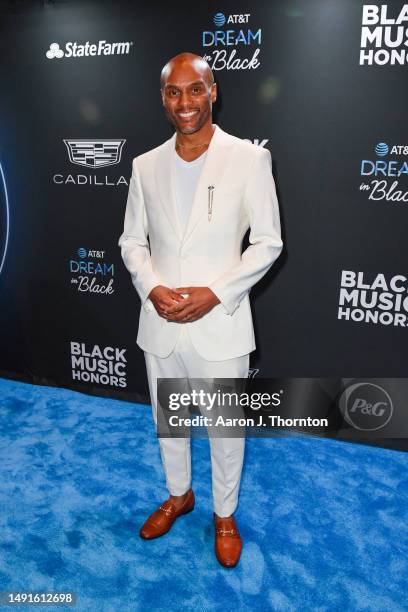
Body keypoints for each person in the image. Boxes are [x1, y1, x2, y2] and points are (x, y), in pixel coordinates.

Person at [118, 52, 283, 567]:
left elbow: (268, 243)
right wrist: (151, 287)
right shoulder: (144, 165)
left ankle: (225, 513)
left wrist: (215, 292)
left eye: (195, 89)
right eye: (173, 92)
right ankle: (179, 495)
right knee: (169, 421)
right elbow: (131, 242)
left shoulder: (248, 159)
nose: (184, 102)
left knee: (226, 428)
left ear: (214, 92)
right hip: (161, 320)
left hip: (221, 322)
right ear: (163, 99)